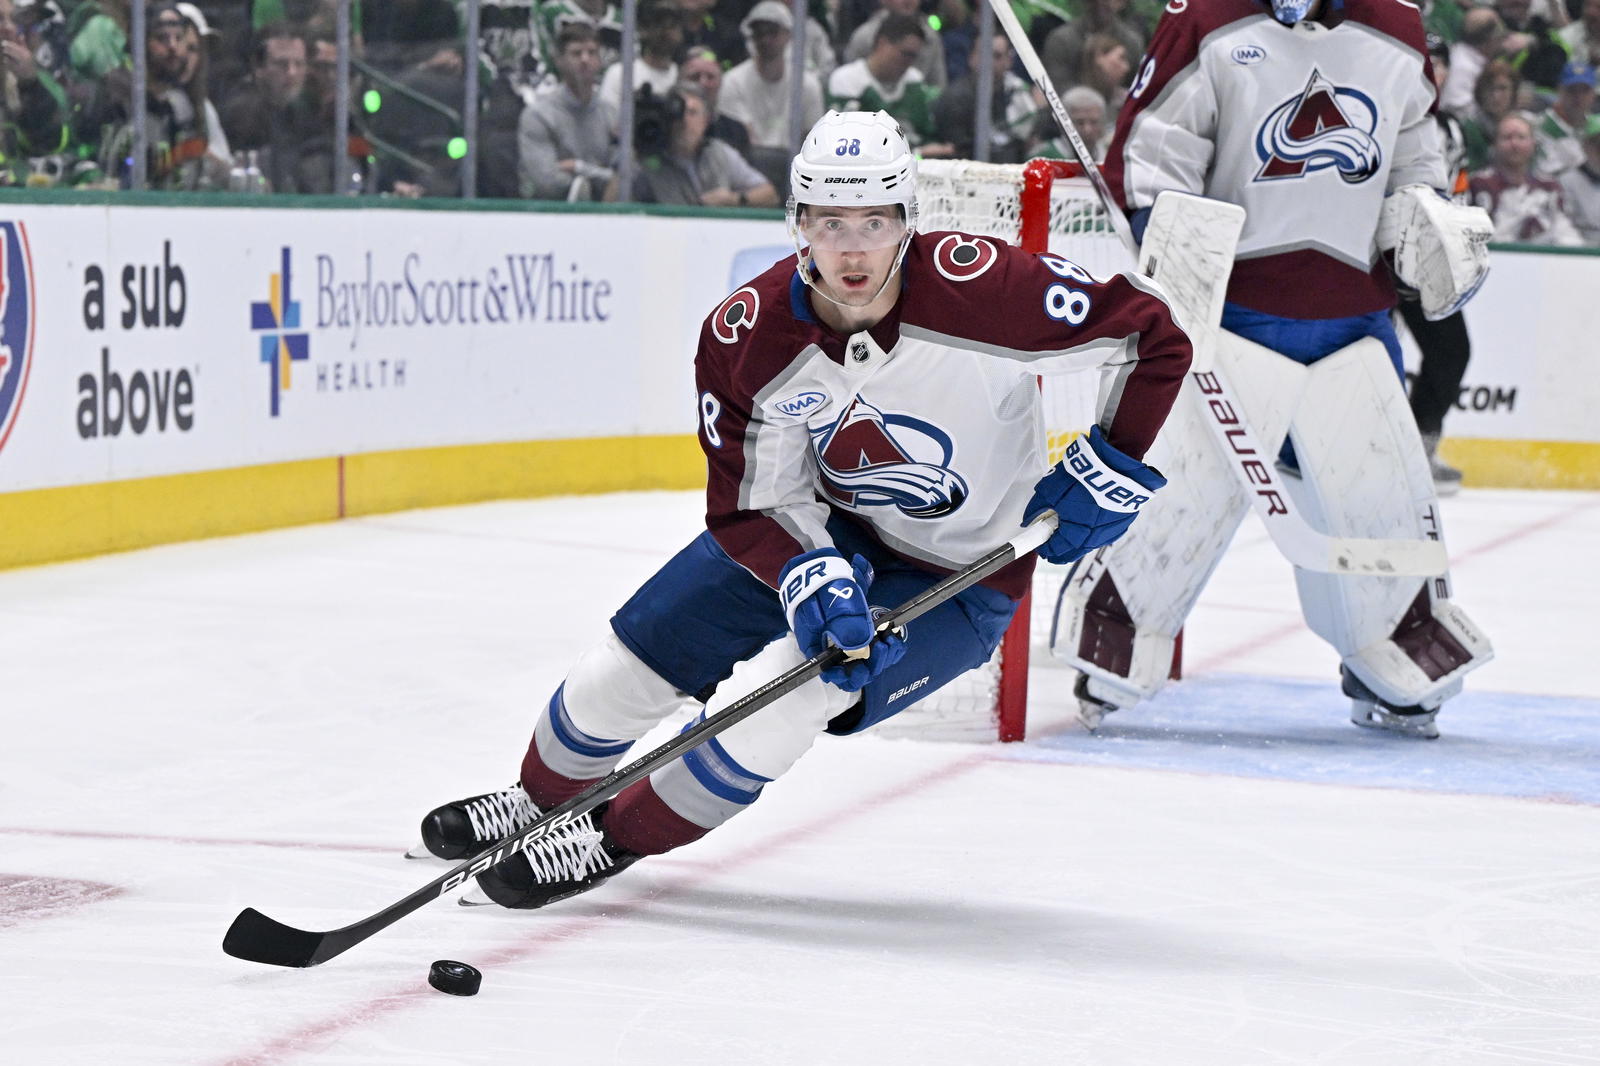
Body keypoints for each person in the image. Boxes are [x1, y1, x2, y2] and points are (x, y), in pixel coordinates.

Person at [411, 109, 1193, 909]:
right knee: (631, 659)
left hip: (960, 576)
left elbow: (1156, 340)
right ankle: (536, 800)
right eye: (830, 223)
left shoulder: (987, 290)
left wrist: (1114, 461)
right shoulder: (746, 337)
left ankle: (608, 836)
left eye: (875, 223)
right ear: (798, 224)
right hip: (822, 525)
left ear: (907, 222)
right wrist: (807, 569)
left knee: (795, 692)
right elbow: (755, 505)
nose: (853, 249)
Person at [1083, 0, 1494, 738]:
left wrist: (1424, 222)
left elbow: (1416, 159)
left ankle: (1389, 643)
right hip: (1231, 316)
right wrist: (1169, 244)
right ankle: (1123, 626)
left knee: (1374, 499)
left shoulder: (1397, 28)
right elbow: (1153, 151)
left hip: (1354, 322)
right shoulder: (1206, 18)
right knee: (1189, 494)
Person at [1399, 33, 1475, 495]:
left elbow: (1459, 191)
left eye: (1441, 62)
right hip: (1371, 259)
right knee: (1366, 352)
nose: (1434, 69)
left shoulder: (1451, 129)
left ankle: (1418, 447)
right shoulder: (1387, 113)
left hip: (1426, 262)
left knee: (1452, 351)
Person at [717, 0, 825, 193]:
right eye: (759, 33)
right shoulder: (732, 81)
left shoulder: (807, 84)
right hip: (747, 169)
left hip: (795, 172)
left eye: (772, 32)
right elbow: (743, 138)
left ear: (788, 35)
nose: (765, 40)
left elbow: (813, 139)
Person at [614, 81, 777, 206]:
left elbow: (770, 195)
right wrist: (632, 152)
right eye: (678, 112)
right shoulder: (647, 160)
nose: (684, 120)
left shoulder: (719, 153)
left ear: (705, 121)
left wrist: (733, 199)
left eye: (692, 113)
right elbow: (610, 206)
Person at [827, 12, 953, 155]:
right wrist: (917, 152)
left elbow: (926, 134)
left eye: (914, 56)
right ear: (882, 43)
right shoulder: (847, 81)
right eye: (905, 53)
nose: (909, 62)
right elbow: (847, 146)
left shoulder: (914, 81)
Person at [217, 20, 321, 193]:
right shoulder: (242, 116)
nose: (291, 73)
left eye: (299, 64)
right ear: (258, 67)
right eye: (282, 64)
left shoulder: (304, 114)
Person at [518, 21, 613, 201]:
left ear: (600, 60)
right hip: (548, 216)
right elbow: (546, 182)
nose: (585, 59)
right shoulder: (538, 115)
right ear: (559, 61)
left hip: (605, 213)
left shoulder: (610, 113)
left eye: (592, 53)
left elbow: (626, 178)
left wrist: (578, 168)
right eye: (576, 53)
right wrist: (600, 177)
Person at [1469, 110, 1585, 244]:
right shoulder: (1478, 184)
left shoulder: (1549, 187)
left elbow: (1564, 232)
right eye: (1507, 137)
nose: (1514, 144)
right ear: (1495, 144)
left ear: (1533, 143)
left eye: (1521, 137)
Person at [932, 26, 1034, 162]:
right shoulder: (954, 99)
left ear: (1008, 61)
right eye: (983, 54)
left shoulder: (1017, 94)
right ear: (971, 58)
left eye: (996, 56)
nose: (989, 62)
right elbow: (958, 151)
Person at [842, 0, 946, 90]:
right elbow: (850, 78)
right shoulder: (864, 36)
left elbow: (937, 84)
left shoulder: (931, 37)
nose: (908, 1)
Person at [1534, 62, 1596, 179]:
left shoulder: (1595, 127)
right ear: (1560, 90)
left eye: (1585, 90)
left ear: (1593, 94)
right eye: (1572, 90)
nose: (1578, 97)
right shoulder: (1542, 126)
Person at [1557, 116, 1600, 243]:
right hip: (1582, 251)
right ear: (1584, 146)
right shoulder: (1566, 181)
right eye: (1596, 143)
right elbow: (1563, 227)